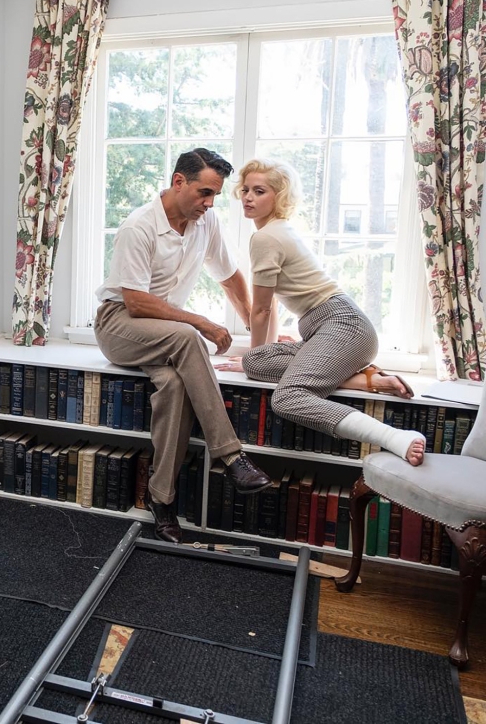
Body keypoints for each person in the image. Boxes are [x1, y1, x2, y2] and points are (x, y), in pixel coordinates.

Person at [93, 148, 273, 545]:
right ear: (179, 182)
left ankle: (162, 499)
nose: (209, 204)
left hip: (162, 334)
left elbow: (228, 276)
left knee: (174, 387)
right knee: (190, 335)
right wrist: (203, 322)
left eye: (214, 196)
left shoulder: (205, 223)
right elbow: (137, 302)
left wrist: (252, 325)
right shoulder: (138, 227)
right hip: (120, 323)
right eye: (204, 193)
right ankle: (231, 456)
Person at [215, 158, 425, 465]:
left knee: (287, 397)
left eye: (259, 191)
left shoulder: (265, 236)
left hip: (342, 326)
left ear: (279, 196)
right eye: (245, 189)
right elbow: (268, 305)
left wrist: (253, 360)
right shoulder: (278, 230)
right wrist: (257, 358)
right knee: (257, 361)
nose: (248, 197)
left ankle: (395, 437)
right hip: (338, 328)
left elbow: (259, 309)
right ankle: (367, 379)